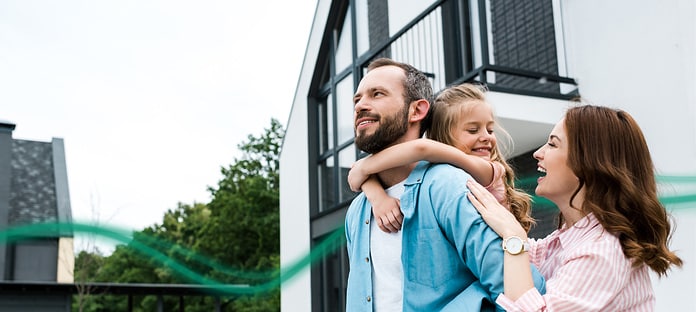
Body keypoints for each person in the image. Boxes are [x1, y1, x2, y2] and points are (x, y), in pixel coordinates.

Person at [344, 57, 545, 311]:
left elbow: (521, 292)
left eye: (377, 94)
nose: (361, 105)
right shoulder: (358, 211)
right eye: (357, 99)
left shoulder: (450, 186)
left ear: (417, 110)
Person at [466, 104, 683, 311]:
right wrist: (499, 204)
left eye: (553, 144)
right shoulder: (572, 238)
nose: (538, 153)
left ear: (589, 161)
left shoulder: (600, 250)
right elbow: (529, 261)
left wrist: (513, 236)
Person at [347, 83, 534, 234]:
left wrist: (364, 166)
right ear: (443, 136)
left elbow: (422, 148)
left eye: (490, 129)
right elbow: (364, 177)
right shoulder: (436, 173)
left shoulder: (490, 170)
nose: (487, 136)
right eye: (472, 130)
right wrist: (378, 197)